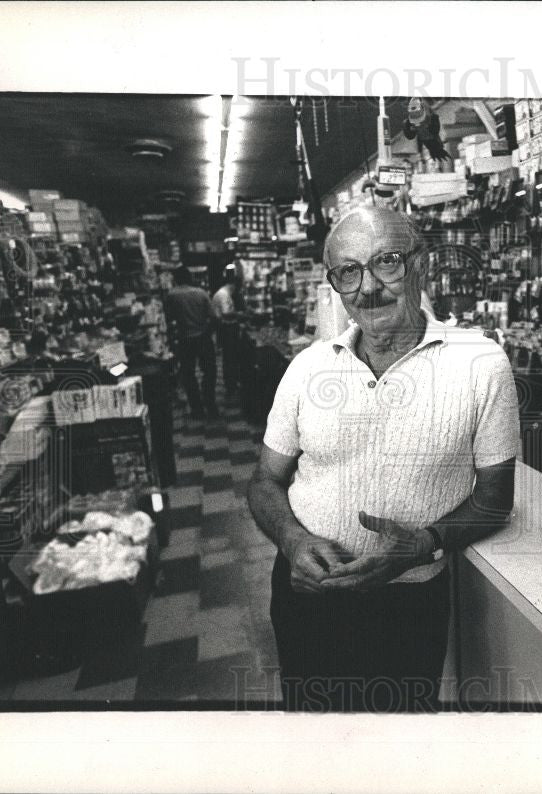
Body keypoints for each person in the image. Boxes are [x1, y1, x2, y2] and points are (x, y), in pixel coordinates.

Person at [248, 207, 519, 712]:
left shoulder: (480, 362)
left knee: (400, 746)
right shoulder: (308, 368)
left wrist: (423, 544)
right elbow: (264, 480)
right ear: (336, 285)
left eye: (386, 262)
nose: (367, 287)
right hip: (310, 595)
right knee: (313, 738)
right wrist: (292, 539)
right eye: (348, 272)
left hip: (409, 602)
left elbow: (495, 498)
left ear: (421, 265)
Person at [165, 266, 218, 420]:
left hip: (184, 339)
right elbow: (213, 317)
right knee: (209, 371)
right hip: (203, 337)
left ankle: (197, 408)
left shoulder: (171, 295)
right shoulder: (201, 293)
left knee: (188, 374)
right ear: (190, 278)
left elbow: (168, 318)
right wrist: (208, 331)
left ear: (176, 279)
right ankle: (210, 403)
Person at [212, 264, 242, 396]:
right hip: (227, 328)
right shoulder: (224, 295)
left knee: (230, 357)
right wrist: (240, 314)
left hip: (225, 328)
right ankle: (231, 385)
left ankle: (231, 383)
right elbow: (226, 313)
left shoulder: (222, 293)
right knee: (230, 357)